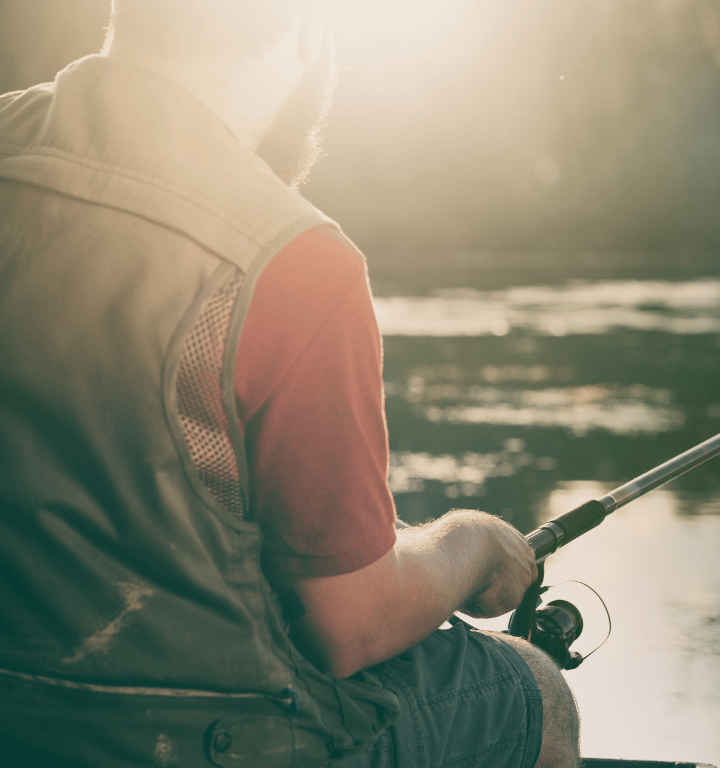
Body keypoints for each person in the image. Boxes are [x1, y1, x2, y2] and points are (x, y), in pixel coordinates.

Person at [0, 1, 579, 766]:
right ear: (307, 31)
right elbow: (348, 627)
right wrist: (471, 545)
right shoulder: (295, 258)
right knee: (531, 693)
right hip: (198, 739)